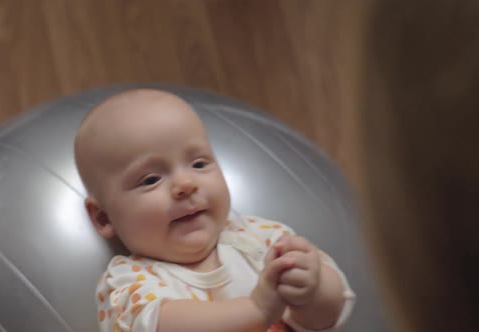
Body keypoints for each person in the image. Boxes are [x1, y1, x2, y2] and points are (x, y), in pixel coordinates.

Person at [74, 88, 355, 332]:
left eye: (198, 164)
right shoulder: (128, 280)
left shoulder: (261, 238)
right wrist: (256, 309)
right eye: (150, 180)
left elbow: (329, 316)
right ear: (104, 216)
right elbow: (159, 324)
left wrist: (314, 290)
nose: (185, 184)